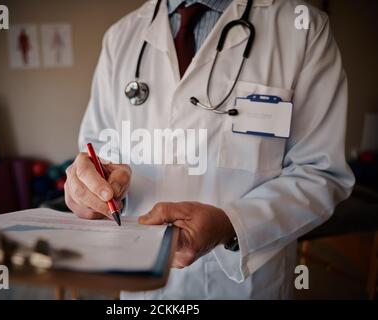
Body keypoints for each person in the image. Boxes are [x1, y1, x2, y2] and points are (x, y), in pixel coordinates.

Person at [64, 0, 355, 299]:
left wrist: (232, 224)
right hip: (144, 287)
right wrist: (90, 192)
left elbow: (321, 172)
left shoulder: (302, 28)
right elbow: (98, 152)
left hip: (246, 286)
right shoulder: (120, 37)